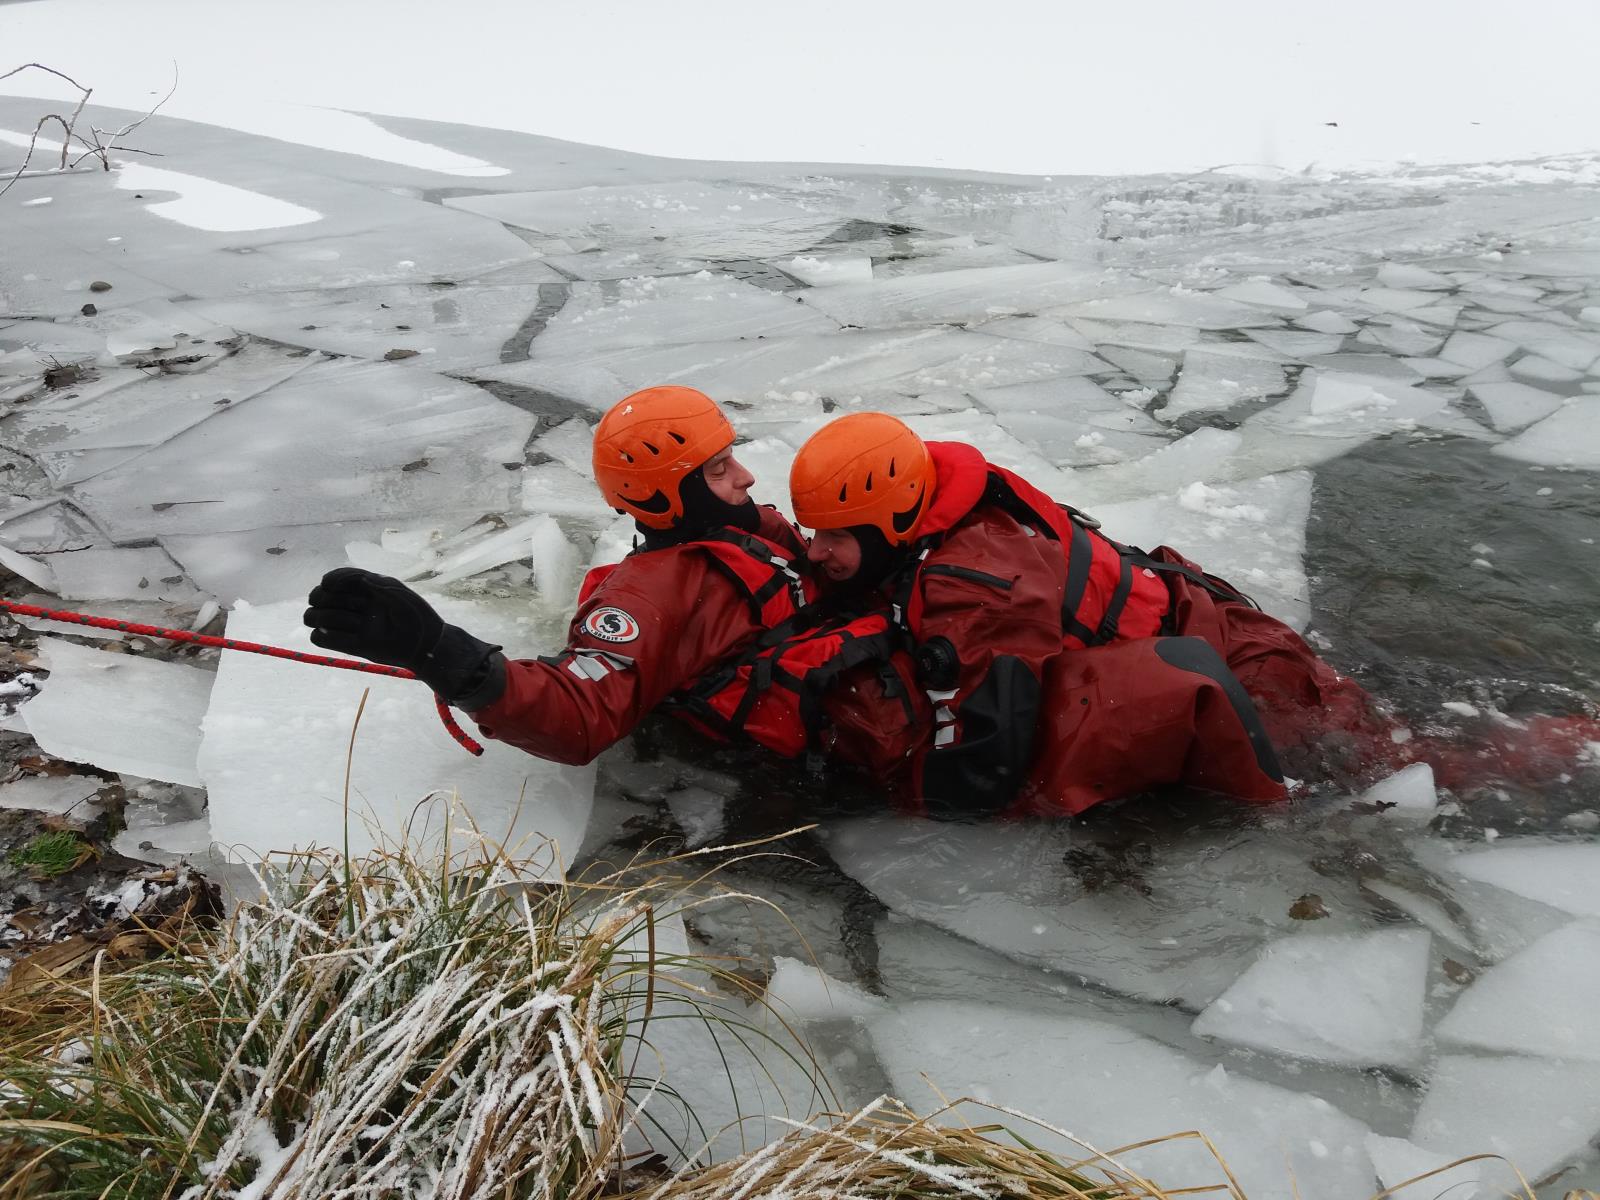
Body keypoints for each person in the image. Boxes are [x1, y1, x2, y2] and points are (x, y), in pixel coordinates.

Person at [785, 412, 1381, 819]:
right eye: (813, 534)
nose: (816, 552)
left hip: (1251, 681)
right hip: (1198, 627)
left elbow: (986, 764)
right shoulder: (924, 515)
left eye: (836, 537)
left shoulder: (979, 588)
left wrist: (859, 796)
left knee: (1377, 774)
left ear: (893, 523)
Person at [302, 386, 926, 773]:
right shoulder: (647, 596)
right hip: (803, 769)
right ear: (667, 498)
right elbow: (580, 714)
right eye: (717, 469)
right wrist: (439, 653)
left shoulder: (753, 529)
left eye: (730, 458)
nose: (746, 477)